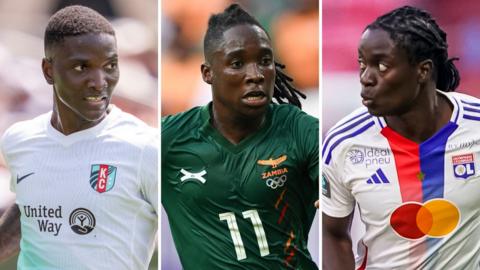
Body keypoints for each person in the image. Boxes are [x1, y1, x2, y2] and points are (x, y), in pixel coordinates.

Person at [161, 4, 319, 269]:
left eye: (265, 61)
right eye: (237, 63)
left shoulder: (301, 130)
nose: (256, 75)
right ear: (207, 73)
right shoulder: (170, 139)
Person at [322, 5, 480, 269]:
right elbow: (333, 233)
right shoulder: (345, 142)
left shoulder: (475, 126)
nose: (365, 78)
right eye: (362, 64)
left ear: (423, 70)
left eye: (381, 66)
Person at [0, 5, 158, 269]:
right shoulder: (19, 140)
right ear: (48, 71)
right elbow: (30, 207)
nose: (99, 81)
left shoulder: (145, 146)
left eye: (110, 66)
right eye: (81, 67)